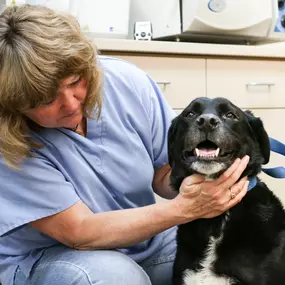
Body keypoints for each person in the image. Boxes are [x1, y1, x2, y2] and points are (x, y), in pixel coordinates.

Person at [0, 4, 249, 285]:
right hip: (54, 256)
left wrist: (209, 174)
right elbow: (79, 232)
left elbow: (165, 175)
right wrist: (184, 209)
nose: (71, 103)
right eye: (47, 100)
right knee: (114, 277)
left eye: (76, 82)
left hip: (142, 242)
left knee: (234, 252)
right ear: (15, 105)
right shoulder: (8, 142)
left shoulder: (126, 82)